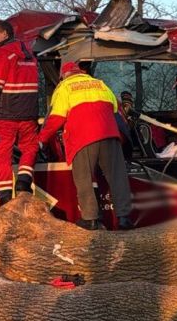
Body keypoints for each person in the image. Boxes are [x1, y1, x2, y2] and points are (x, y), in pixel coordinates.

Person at [39, 62, 133, 231]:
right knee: (117, 177)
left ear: (63, 76)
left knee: (84, 178)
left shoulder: (64, 87)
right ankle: (124, 218)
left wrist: (42, 139)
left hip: (83, 136)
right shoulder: (100, 83)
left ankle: (90, 219)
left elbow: (56, 117)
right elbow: (116, 108)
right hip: (109, 133)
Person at [0, 20, 40, 204]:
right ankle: (23, 182)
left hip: (5, 116)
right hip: (28, 114)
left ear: (5, 34)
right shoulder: (31, 57)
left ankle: (4, 199)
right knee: (30, 147)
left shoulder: (3, 54)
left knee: (2, 156)